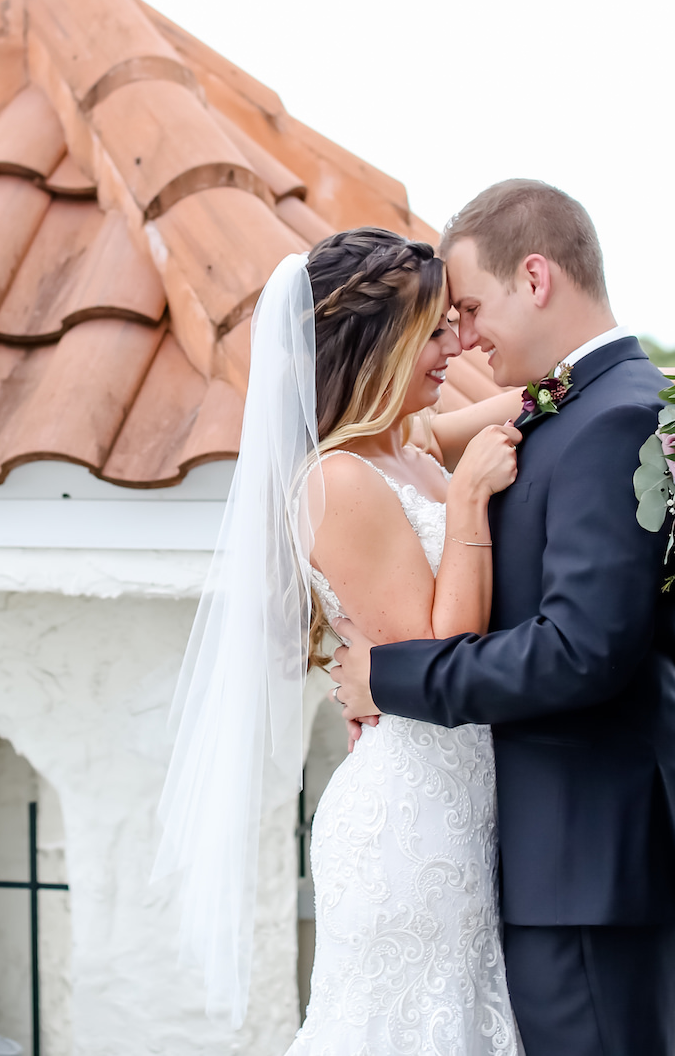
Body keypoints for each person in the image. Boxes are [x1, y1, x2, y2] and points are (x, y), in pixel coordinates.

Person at [328, 180, 675, 1056]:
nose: (461, 338)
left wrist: (386, 676)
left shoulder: (614, 420)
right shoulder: (579, 403)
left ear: (534, 277)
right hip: (558, 849)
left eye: (468, 306)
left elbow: (582, 650)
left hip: (587, 853)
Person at [153, 226, 525, 1053]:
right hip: (409, 822)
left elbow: (543, 399)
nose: (454, 346)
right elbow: (438, 658)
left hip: (461, 805)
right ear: (376, 344)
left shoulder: (415, 446)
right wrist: (467, 505)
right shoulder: (339, 479)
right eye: (432, 332)